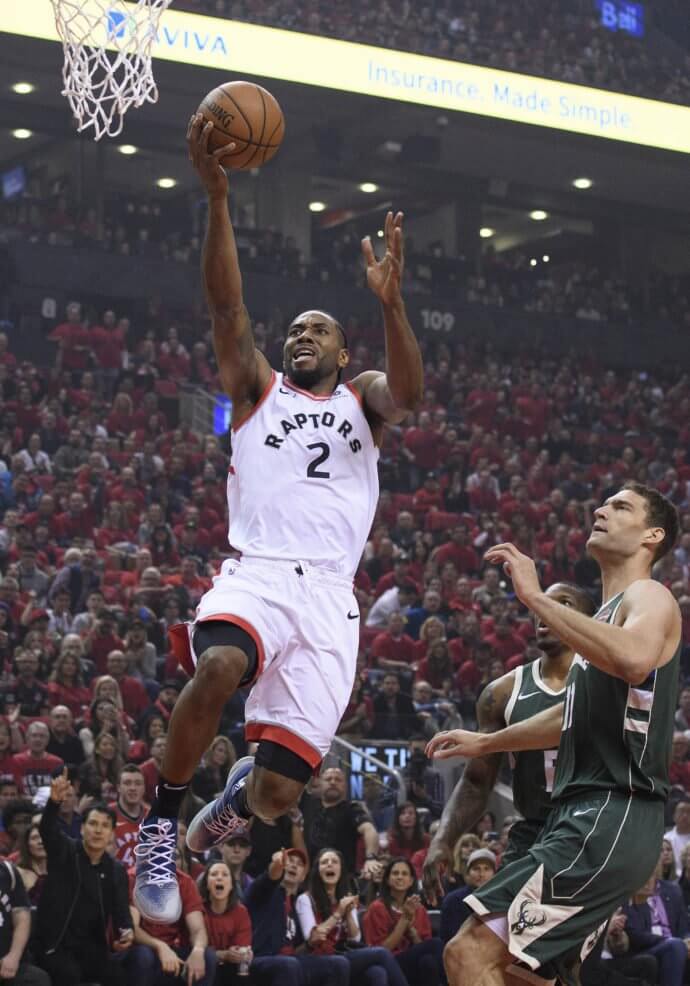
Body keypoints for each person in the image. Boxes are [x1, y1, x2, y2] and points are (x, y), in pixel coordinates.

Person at [134, 113, 423, 924]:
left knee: (274, 793)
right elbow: (229, 311)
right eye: (293, 329)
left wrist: (393, 307)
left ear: (341, 350)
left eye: (317, 330)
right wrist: (219, 197)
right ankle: (158, 829)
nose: (301, 336)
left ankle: (229, 803)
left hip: (331, 598)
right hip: (259, 571)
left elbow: (409, 397)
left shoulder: (361, 396)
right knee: (218, 670)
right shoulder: (260, 390)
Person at [427, 483, 682, 986]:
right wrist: (488, 743)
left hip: (611, 811)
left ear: (652, 535)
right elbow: (570, 716)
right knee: (521, 970)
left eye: (620, 506)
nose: (601, 509)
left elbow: (633, 659)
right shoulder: (605, 619)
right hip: (591, 816)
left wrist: (534, 597)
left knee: (467, 954)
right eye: (603, 503)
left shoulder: (648, 596)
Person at [423, 582, 596, 901]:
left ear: (589, 620)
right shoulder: (501, 693)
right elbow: (476, 782)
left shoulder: (607, 683)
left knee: (565, 951)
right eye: (542, 603)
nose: (546, 610)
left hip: (592, 834)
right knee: (470, 948)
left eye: (564, 603)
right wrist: (443, 840)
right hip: (533, 831)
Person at [36, 770, 133, 986]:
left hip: (91, 948)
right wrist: (53, 803)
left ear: (111, 834)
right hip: (55, 944)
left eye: (104, 826)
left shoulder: (116, 870)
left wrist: (126, 933)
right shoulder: (65, 851)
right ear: (81, 829)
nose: (98, 831)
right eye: (93, 824)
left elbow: (121, 913)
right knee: (70, 975)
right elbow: (47, 829)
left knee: (119, 977)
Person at [296, 848, 410, 986]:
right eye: (324, 862)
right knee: (381, 953)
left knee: (377, 972)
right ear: (317, 870)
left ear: (341, 870)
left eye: (335, 862)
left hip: (342, 954)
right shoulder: (305, 899)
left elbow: (354, 938)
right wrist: (339, 912)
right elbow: (312, 937)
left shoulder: (346, 897)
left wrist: (349, 914)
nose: (330, 865)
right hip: (318, 958)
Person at [246, 847, 348, 986]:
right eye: (289, 861)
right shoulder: (265, 893)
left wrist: (309, 944)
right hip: (261, 959)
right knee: (290, 965)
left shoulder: (299, 903)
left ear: (303, 876)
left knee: (339, 964)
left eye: (299, 864)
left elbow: (298, 949)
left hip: (292, 961)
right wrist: (276, 865)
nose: (294, 865)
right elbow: (269, 879)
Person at [128, 852, 217, 986]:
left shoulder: (185, 881)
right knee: (143, 955)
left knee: (207, 956)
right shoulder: (133, 878)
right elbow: (132, 928)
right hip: (143, 949)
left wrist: (198, 950)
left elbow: (198, 929)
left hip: (173, 950)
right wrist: (160, 946)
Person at [364, 856, 444, 986]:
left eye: (404, 873)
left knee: (428, 961)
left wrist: (412, 931)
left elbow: (422, 946)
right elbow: (382, 951)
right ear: (388, 879)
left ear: (411, 880)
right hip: (389, 963)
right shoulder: (377, 908)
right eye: (395, 873)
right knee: (436, 944)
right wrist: (405, 919)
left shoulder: (419, 909)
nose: (399, 877)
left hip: (412, 964)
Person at [303, 766, 379, 879]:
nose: (333, 782)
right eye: (328, 779)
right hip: (309, 878)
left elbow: (369, 829)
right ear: (320, 783)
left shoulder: (352, 809)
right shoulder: (307, 804)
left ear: (345, 786)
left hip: (342, 880)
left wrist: (371, 858)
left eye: (338, 780)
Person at [622, 868, 688, 986]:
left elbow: (683, 924)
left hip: (673, 944)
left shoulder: (672, 891)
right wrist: (669, 940)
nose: (648, 881)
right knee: (676, 946)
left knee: (679, 946)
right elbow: (635, 935)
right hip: (644, 949)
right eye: (644, 876)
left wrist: (687, 941)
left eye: (651, 876)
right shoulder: (628, 897)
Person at [199, 860, 252, 985]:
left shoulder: (241, 912)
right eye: (214, 874)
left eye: (224, 875)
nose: (219, 878)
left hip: (230, 969)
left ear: (232, 885)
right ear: (206, 884)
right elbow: (194, 951)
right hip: (204, 967)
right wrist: (222, 955)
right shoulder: (198, 910)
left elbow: (241, 947)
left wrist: (241, 954)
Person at [0, 857, 49, 986]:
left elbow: (22, 916)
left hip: (8, 961)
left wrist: (13, 957)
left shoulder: (8, 871)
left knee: (38, 979)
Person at [439, 849, 498, 945]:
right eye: (476, 869)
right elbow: (448, 938)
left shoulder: (501, 900)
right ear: (468, 873)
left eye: (487, 869)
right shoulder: (453, 900)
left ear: (494, 874)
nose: (481, 874)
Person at [112, 763, 147, 866]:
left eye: (138, 783)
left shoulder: (153, 817)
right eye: (127, 783)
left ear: (144, 788)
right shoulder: (106, 815)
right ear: (118, 787)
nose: (133, 788)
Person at [664, 799, 690, 877]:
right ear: (674, 816)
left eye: (689, 812)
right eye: (681, 811)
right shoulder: (666, 839)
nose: (685, 815)